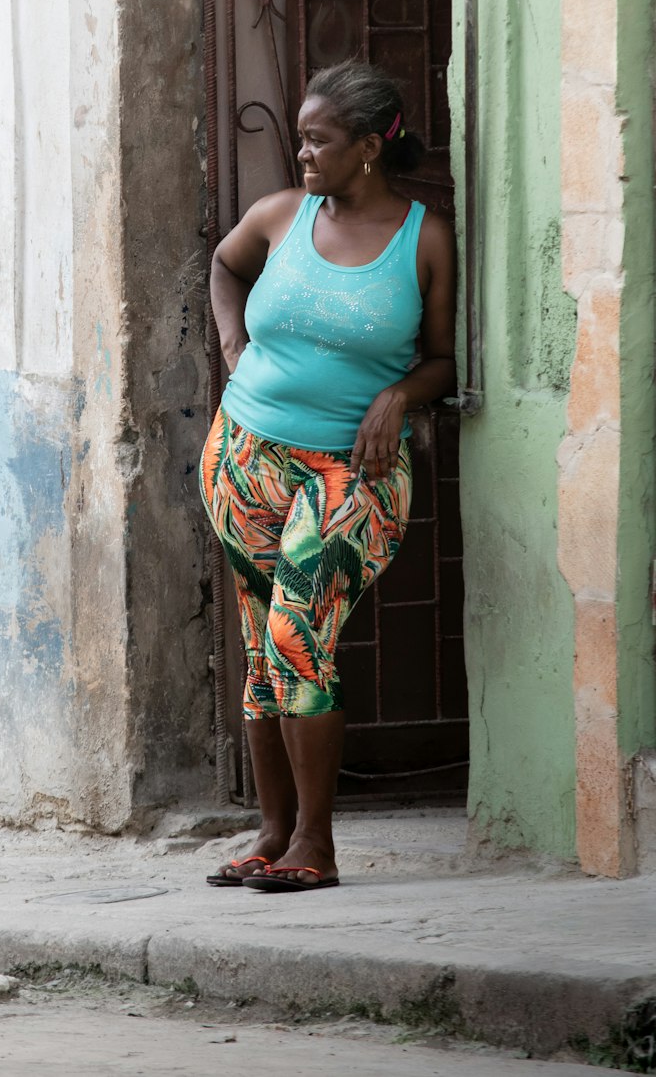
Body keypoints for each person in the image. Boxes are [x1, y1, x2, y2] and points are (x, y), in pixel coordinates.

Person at [202, 60, 456, 893]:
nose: (302, 155)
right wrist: (235, 349)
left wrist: (399, 393)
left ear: (371, 148)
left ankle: (318, 842)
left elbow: (444, 361)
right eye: (300, 138)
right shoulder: (279, 217)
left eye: (319, 141)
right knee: (262, 644)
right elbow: (225, 267)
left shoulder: (423, 238)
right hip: (244, 458)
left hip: (355, 472)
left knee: (296, 633)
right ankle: (272, 834)